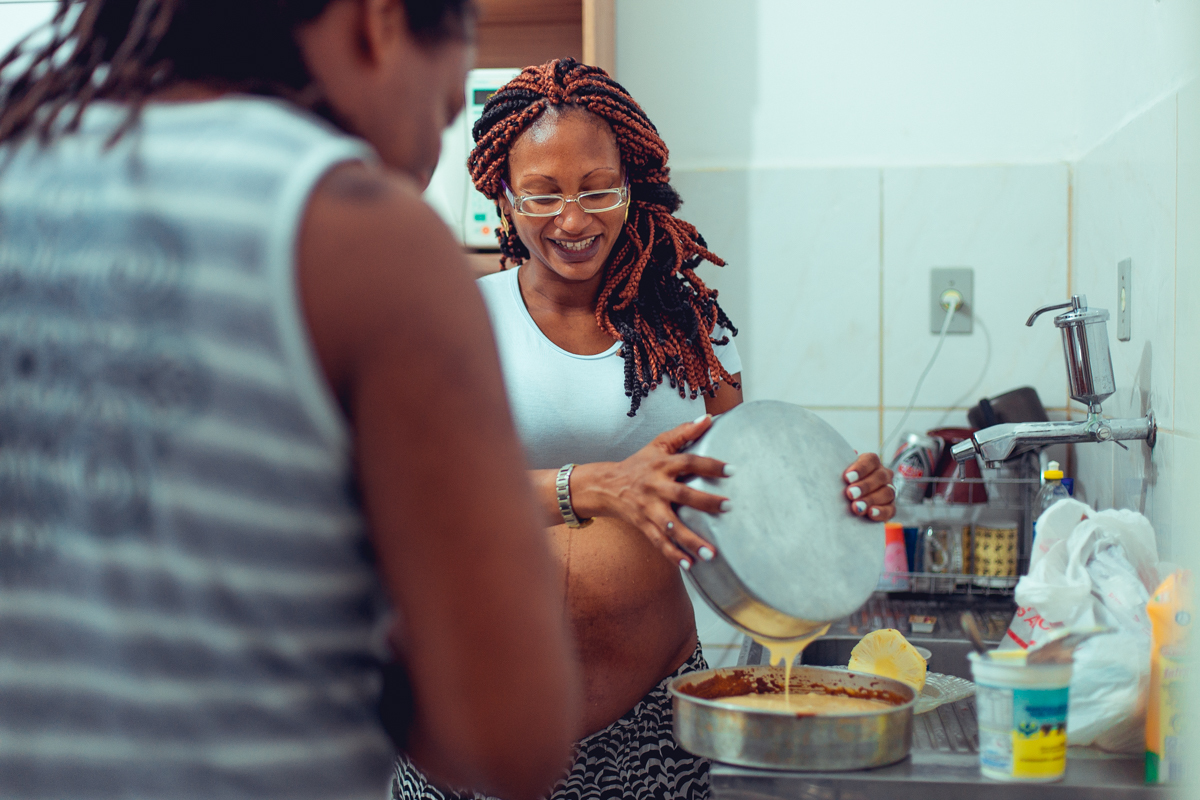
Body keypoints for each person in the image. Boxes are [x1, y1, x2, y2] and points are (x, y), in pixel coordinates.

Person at [0, 2, 580, 799]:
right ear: (378, 23)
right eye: (442, 113)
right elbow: (510, 740)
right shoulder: (364, 236)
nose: (418, 165)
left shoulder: (17, 158)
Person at [394, 59, 897, 800]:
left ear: (633, 183)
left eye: (599, 188)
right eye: (542, 195)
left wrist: (843, 495)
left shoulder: (686, 329)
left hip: (651, 727)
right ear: (503, 199)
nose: (573, 220)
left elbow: (756, 487)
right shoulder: (456, 321)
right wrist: (590, 486)